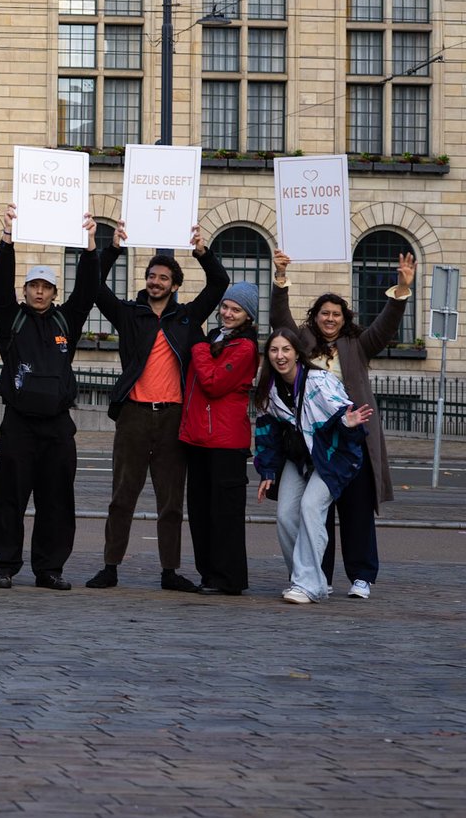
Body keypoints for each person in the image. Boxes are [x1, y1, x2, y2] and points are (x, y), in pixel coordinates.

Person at [85, 223, 229, 593]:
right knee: (122, 496)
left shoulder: (187, 318)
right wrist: (112, 250)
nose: (156, 282)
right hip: (133, 414)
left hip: (173, 417)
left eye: (163, 277)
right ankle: (110, 566)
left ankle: (170, 571)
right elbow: (93, 288)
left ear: (175, 285)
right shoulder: (129, 314)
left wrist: (202, 251)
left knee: (170, 501)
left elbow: (219, 284)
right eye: (151, 276)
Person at [270, 248, 413, 600]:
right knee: (317, 511)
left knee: (357, 510)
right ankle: (321, 574)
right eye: (324, 314)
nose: (330, 319)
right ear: (315, 317)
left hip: (353, 438)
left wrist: (401, 290)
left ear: (343, 317)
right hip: (315, 441)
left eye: (335, 314)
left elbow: (385, 327)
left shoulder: (358, 344)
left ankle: (362, 576)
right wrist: (281, 279)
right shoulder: (302, 343)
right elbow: (280, 321)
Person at [0, 207, 104, 591]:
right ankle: (4, 565)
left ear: (54, 293)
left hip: (57, 426)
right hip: (18, 425)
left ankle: (49, 569)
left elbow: (87, 292)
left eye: (46, 287)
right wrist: (7, 240)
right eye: (33, 286)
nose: (39, 291)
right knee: (10, 498)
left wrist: (90, 248)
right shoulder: (11, 319)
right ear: (26, 290)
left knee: (57, 501)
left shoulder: (66, 321)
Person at [252, 330, 375, 605]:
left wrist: (348, 422)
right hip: (300, 459)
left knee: (310, 507)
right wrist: (267, 472)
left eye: (286, 350)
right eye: (274, 350)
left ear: (297, 353)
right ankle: (306, 578)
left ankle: (308, 585)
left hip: (333, 458)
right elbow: (266, 434)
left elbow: (344, 417)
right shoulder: (269, 389)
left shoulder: (319, 381)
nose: (280, 356)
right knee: (285, 515)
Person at [176, 282, 259, 596]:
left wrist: (197, 347)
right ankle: (209, 574)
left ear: (247, 316)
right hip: (200, 438)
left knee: (225, 515)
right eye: (225, 307)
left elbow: (213, 381)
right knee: (201, 513)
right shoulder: (217, 338)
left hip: (225, 442)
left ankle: (229, 578)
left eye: (235, 310)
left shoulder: (244, 347)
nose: (227, 313)